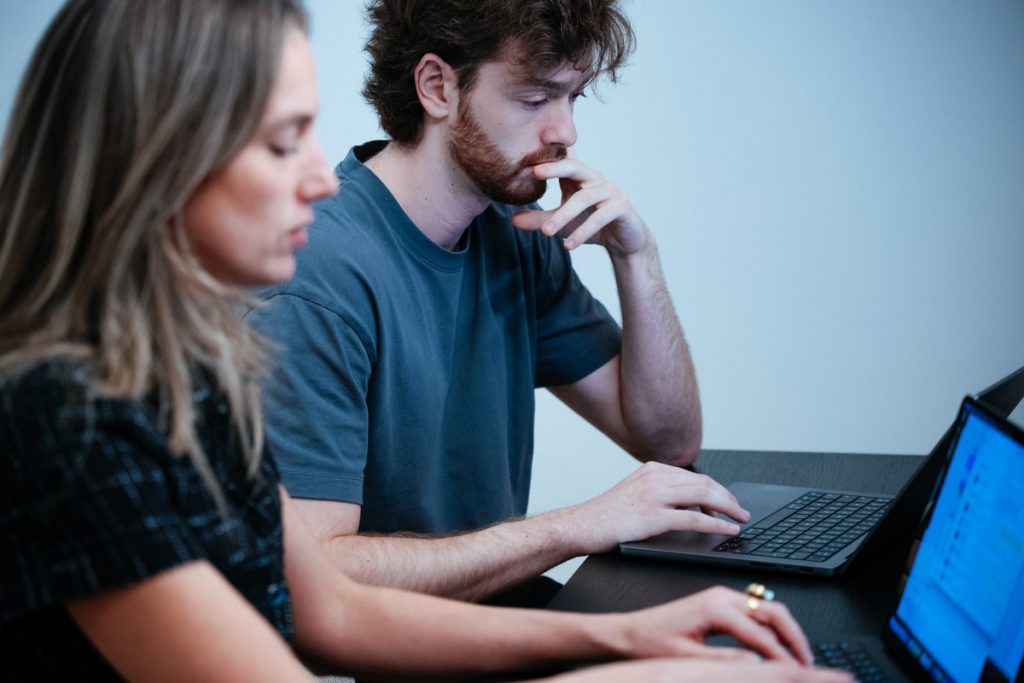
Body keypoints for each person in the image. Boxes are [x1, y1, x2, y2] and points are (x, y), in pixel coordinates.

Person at [0, 1, 855, 681]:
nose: (317, 178)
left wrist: (633, 636)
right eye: (280, 142)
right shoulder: (68, 422)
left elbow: (330, 608)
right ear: (156, 160)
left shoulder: (189, 374)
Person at [250, 0, 748, 605]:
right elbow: (314, 577)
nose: (564, 132)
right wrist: (577, 526)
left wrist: (635, 257)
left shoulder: (516, 233)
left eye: (573, 98)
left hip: (497, 615)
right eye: (535, 100)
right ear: (437, 87)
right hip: (400, 648)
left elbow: (668, 442)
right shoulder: (317, 278)